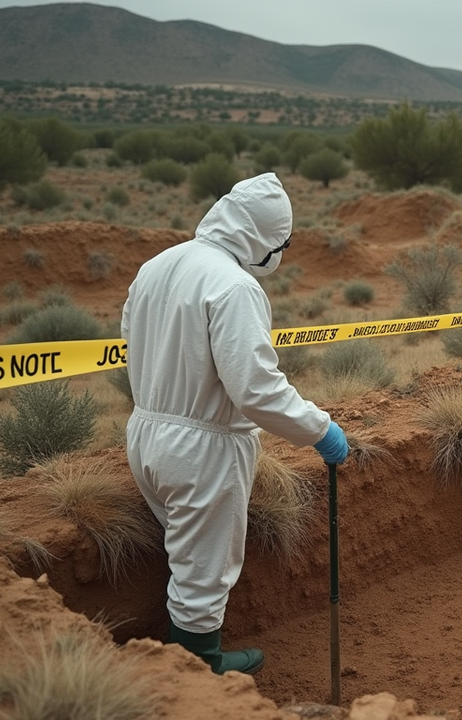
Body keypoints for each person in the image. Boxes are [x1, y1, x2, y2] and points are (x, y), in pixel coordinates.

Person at [121, 173, 349, 674]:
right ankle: (198, 670)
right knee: (204, 572)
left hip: (145, 432)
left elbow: (130, 341)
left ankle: (183, 655)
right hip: (203, 450)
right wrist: (319, 429)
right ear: (263, 236)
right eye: (281, 242)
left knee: (186, 555)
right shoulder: (235, 285)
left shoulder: (158, 264)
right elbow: (255, 389)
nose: (280, 252)